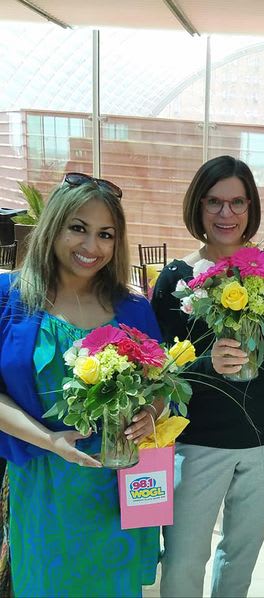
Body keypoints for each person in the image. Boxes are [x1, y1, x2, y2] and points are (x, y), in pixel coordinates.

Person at [0, 172, 162, 597]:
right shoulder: (9, 296)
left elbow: (162, 386)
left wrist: (150, 414)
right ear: (54, 226)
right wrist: (50, 440)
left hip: (117, 486)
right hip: (42, 484)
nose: (92, 246)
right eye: (78, 228)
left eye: (105, 234)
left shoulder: (134, 309)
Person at [152, 155, 264, 597]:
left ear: (251, 207)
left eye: (237, 202)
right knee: (183, 559)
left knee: (240, 558)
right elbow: (160, 369)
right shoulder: (177, 279)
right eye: (214, 202)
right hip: (199, 441)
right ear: (198, 206)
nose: (226, 213)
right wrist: (206, 363)